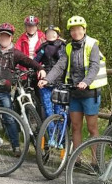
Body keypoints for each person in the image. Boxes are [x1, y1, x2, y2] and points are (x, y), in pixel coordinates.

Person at [39, 15, 107, 155]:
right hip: (74, 92)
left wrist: (85, 82)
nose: (76, 32)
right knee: (75, 127)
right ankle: (76, 159)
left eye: (78, 29)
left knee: (92, 128)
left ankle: (96, 160)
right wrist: (47, 79)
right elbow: (60, 66)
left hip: (90, 92)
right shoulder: (69, 47)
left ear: (84, 29)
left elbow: (94, 66)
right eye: (73, 30)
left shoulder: (92, 44)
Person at [0, 23, 46, 157]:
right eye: (2, 35)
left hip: (4, 91)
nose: (4, 38)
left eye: (7, 36)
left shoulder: (14, 53)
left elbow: (27, 61)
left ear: (11, 37)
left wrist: (40, 68)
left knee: (9, 118)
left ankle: (15, 146)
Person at [34, 25, 66, 131]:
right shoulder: (43, 48)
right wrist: (38, 68)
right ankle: (51, 135)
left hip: (59, 82)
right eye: (48, 33)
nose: (50, 35)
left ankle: (61, 138)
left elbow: (64, 63)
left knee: (59, 110)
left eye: (53, 33)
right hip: (45, 82)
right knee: (48, 110)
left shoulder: (63, 47)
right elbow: (35, 61)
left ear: (58, 35)